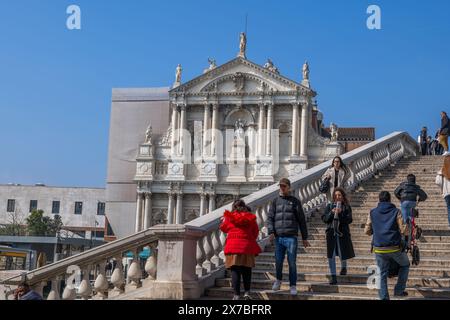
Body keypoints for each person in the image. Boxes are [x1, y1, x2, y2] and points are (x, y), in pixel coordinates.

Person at [266, 178, 310, 296]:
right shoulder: (275, 201)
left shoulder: (295, 201)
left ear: (289, 187)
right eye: (280, 186)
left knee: (292, 262)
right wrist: (271, 232)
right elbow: (270, 218)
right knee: (278, 261)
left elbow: (302, 220)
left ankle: (293, 285)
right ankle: (278, 280)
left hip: (291, 237)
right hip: (279, 237)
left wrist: (305, 237)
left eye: (284, 186)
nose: (282, 188)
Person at [364, 191, 410, 300]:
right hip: (394, 247)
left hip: (379, 249)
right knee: (405, 265)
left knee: (381, 274)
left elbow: (367, 231)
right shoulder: (396, 211)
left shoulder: (372, 212)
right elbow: (404, 230)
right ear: (390, 200)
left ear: (379, 200)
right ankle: (399, 290)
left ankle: (384, 297)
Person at [220, 199, 261, 300]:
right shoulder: (250, 217)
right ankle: (247, 292)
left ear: (234, 207)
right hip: (247, 246)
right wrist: (249, 239)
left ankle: (237, 294)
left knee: (235, 271)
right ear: (245, 206)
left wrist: (222, 220)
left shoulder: (229, 217)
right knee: (247, 270)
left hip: (233, 247)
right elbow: (255, 232)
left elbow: (223, 228)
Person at [321, 188, 355, 285]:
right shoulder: (329, 206)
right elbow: (325, 219)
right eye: (335, 195)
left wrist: (341, 213)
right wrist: (332, 213)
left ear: (343, 196)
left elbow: (349, 220)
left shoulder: (346, 207)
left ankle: (344, 267)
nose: (337, 197)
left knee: (341, 251)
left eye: (339, 195)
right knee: (330, 255)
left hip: (342, 233)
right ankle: (333, 276)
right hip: (331, 233)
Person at [435, 152, 450, 228]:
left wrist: (442, 186)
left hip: (447, 193)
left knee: (449, 209)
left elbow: (437, 182)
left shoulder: (441, 171)